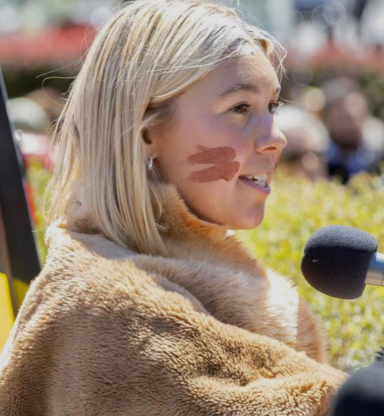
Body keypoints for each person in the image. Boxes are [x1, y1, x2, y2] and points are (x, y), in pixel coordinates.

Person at [0, 2, 347, 414]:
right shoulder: (108, 306)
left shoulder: (166, 267)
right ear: (146, 133)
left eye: (272, 107)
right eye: (240, 108)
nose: (276, 138)